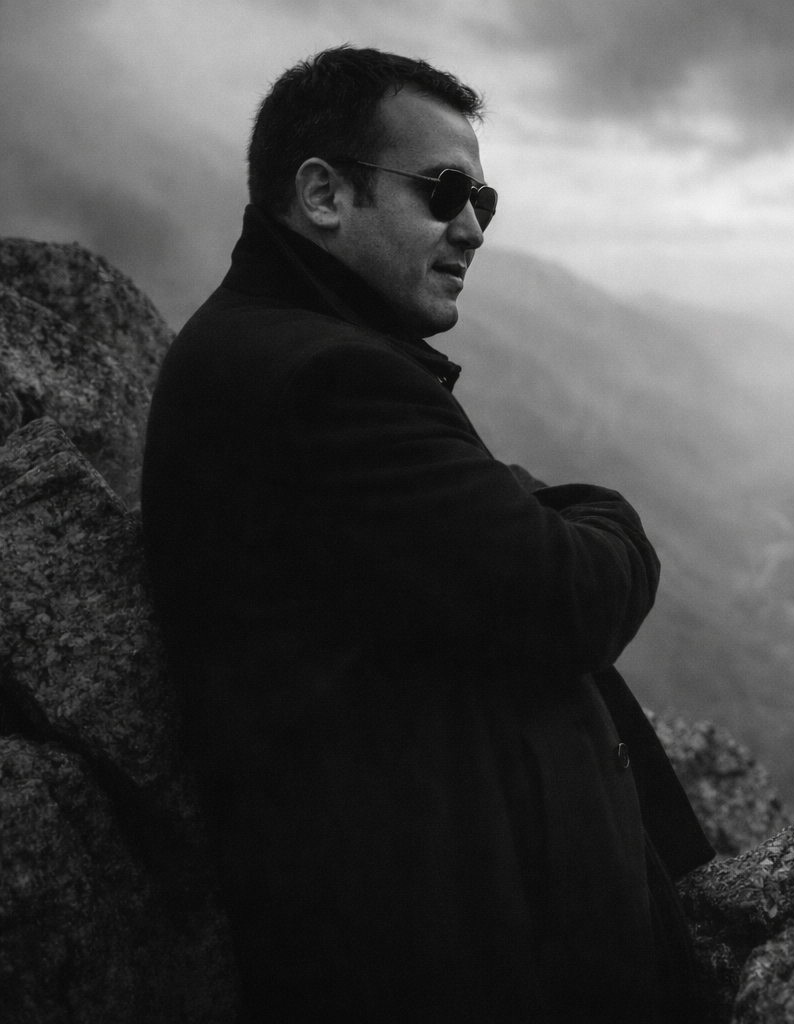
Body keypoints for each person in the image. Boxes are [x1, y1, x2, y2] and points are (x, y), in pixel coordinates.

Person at [140, 46, 714, 1023]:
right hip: (459, 964)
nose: (473, 227)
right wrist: (612, 515)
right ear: (323, 193)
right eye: (445, 191)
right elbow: (566, 594)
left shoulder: (278, 348)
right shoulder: (325, 382)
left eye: (484, 200)